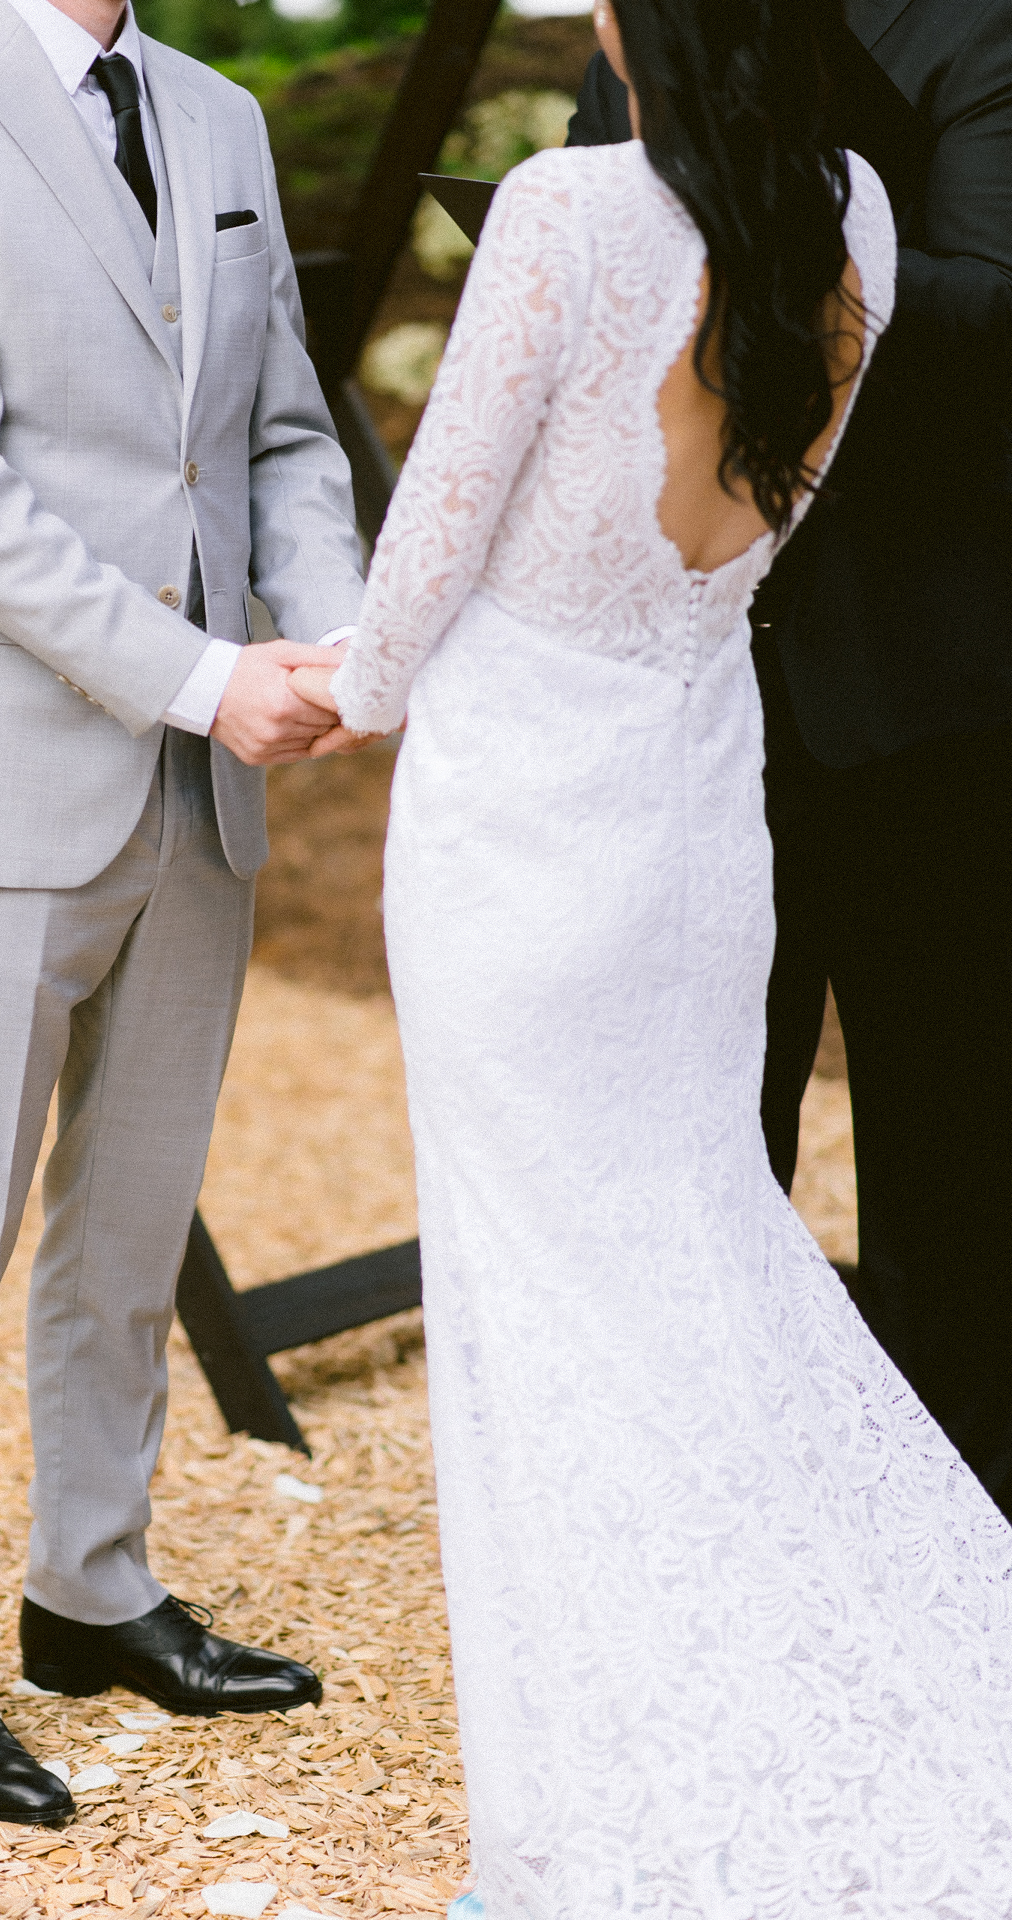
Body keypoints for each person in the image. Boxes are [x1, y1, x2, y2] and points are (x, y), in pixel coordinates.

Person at [295, 0, 1012, 1910]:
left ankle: (610, 1753)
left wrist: (322, 684)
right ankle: (826, 1633)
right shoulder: (845, 206)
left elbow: (439, 534)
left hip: (536, 822)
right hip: (703, 791)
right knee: (703, 1236)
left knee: (542, 1288)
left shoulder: (557, 207)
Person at [0, 0, 363, 1824]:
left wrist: (332, 636)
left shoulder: (211, 115)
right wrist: (207, 676)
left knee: (127, 1226)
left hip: (201, 787)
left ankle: (93, 1590)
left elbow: (280, 428)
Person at [572, 0, 1012, 1513]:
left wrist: (769, 233)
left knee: (949, 1155)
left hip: (920, 701)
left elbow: (991, 317)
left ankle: (964, 1543)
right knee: (695, 1132)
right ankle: (706, 1516)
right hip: (694, 699)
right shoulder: (653, 28)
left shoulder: (977, 35)